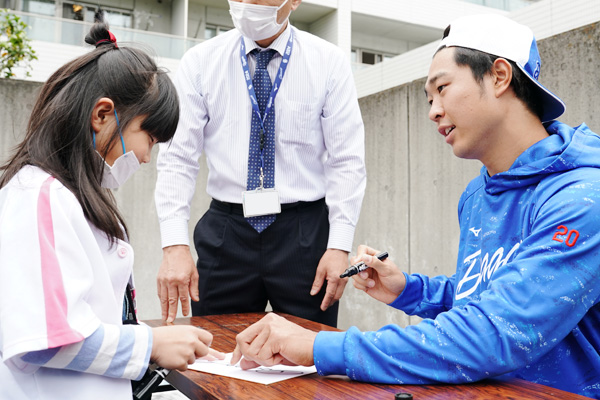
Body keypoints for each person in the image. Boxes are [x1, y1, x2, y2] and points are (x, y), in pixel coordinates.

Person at [229, 14, 600, 399]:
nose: (433, 110)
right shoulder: (477, 196)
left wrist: (314, 347)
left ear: (499, 76)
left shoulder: (582, 197)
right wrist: (407, 289)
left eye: (442, 88)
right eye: (429, 98)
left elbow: (493, 333)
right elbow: (480, 297)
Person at [0, 14, 221, 400]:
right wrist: (150, 344)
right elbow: (45, 338)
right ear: (102, 115)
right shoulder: (40, 197)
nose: (147, 156)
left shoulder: (69, 197)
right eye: (148, 137)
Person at [154, 0, 366, 327]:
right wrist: (174, 244)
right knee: (215, 353)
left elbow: (346, 160)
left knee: (305, 358)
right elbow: (177, 158)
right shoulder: (200, 62)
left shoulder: (328, 62)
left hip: (303, 233)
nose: (247, 4)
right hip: (228, 230)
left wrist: (339, 246)